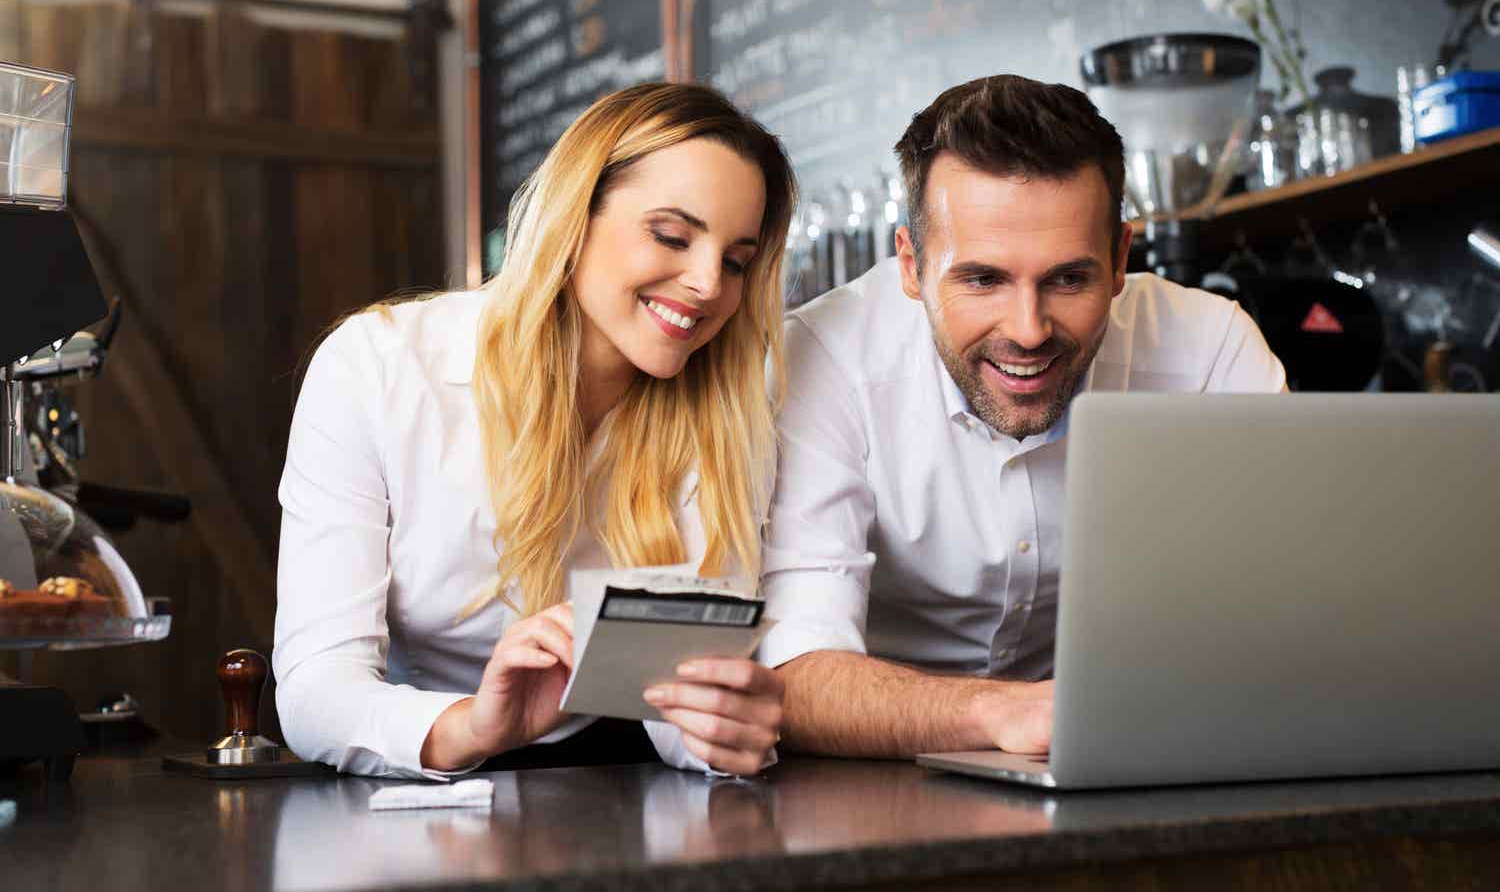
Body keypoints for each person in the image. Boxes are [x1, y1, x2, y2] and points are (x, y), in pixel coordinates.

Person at [274, 83, 795, 778]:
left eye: (735, 261)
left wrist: (721, 734)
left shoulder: (726, 407)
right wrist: (473, 725)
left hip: (620, 784)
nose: (707, 284)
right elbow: (316, 689)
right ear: (575, 215)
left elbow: (679, 705)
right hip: (423, 774)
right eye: (671, 235)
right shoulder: (380, 367)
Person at [759, 74, 1287, 758]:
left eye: (1069, 278)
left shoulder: (1210, 347)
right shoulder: (824, 359)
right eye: (983, 279)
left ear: (1121, 258)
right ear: (911, 266)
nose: (1029, 330)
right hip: (876, 771)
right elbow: (793, 674)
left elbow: (1281, 622)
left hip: (1128, 748)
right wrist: (999, 713)